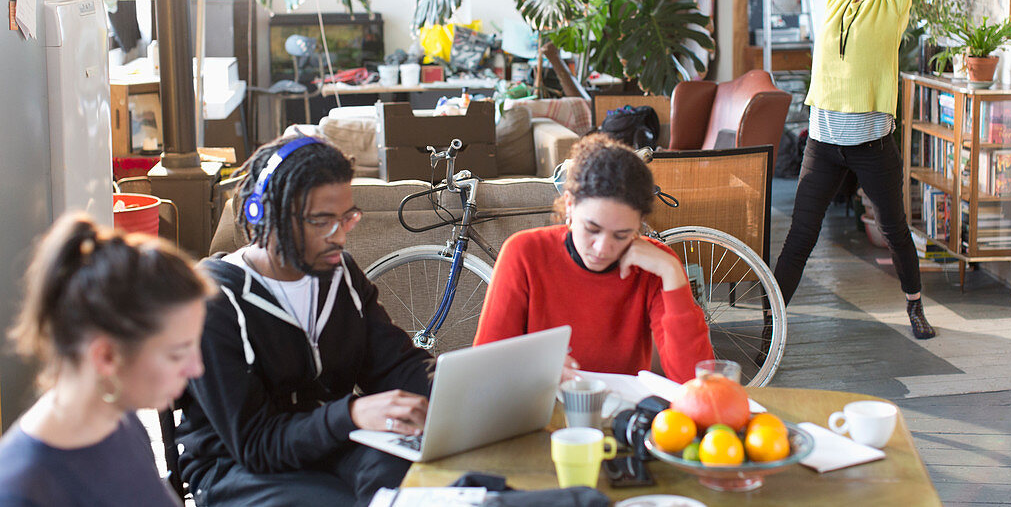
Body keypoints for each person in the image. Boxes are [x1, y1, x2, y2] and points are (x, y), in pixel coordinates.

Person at [176, 136, 433, 506]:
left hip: (330, 443)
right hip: (236, 467)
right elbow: (255, 443)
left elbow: (395, 365)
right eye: (321, 221)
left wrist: (453, 390)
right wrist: (351, 413)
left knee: (412, 482)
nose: (340, 236)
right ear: (261, 213)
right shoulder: (214, 302)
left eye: (347, 218)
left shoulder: (340, 274)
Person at [772, 0, 935, 340]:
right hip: (823, 140)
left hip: (869, 142)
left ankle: (914, 304)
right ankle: (772, 319)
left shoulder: (892, 4)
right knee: (800, 233)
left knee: (893, 230)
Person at [0, 213, 210, 506]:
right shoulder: (20, 490)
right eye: (177, 354)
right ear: (106, 356)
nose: (196, 368)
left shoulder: (121, 419)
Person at [473, 134, 713, 383]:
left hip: (619, 415)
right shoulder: (524, 252)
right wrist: (535, 367)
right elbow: (485, 365)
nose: (602, 248)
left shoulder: (656, 265)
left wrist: (672, 270)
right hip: (537, 410)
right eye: (592, 229)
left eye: (622, 235)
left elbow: (696, 381)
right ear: (569, 205)